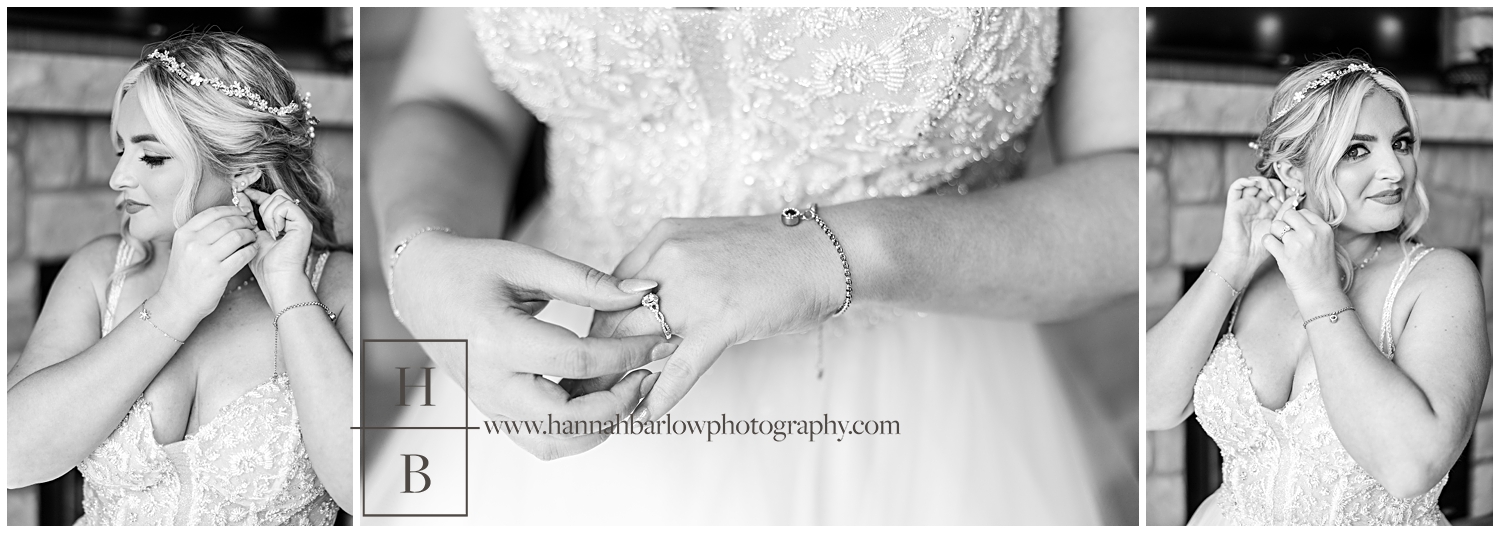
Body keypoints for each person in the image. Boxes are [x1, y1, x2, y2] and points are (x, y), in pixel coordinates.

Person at [369, 7, 1137, 524]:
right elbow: (451, 101)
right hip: (539, 379)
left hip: (899, 431)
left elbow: (1127, 193)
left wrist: (829, 253)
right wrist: (421, 256)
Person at [7, 33, 352, 525]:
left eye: (151, 157)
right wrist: (174, 305)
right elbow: (11, 457)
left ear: (244, 172)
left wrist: (288, 289)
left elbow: (367, 491)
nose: (118, 178)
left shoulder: (335, 286)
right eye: (120, 151)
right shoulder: (99, 274)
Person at [1146, 58, 1489, 525]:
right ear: (1292, 174)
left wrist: (1321, 292)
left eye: (1401, 143)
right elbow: (1155, 405)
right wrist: (1232, 261)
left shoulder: (1441, 280)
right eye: (1356, 150)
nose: (1395, 170)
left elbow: (1410, 468)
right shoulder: (1255, 272)